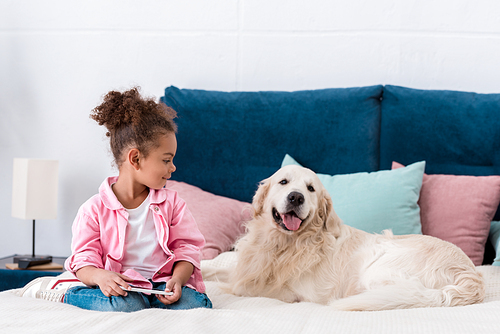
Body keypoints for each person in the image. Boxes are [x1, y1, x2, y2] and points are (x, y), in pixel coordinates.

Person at [21, 87, 212, 312]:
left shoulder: (173, 204)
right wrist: (101, 276)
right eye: (166, 160)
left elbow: (186, 249)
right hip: (123, 287)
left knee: (196, 304)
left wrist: (178, 280)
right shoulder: (93, 210)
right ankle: (64, 294)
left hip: (161, 286)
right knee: (126, 305)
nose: (173, 167)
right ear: (136, 158)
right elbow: (84, 261)